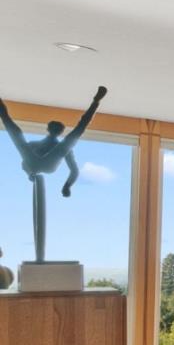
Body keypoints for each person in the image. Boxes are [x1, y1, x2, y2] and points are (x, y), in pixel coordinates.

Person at [0, 86, 106, 262]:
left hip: (38, 162)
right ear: (55, 130)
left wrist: (65, 185)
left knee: (13, 128)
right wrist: (66, 186)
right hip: (41, 163)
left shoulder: (40, 145)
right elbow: (73, 170)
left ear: (49, 129)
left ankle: (96, 102)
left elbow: (72, 170)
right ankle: (96, 102)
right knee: (14, 129)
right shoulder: (43, 146)